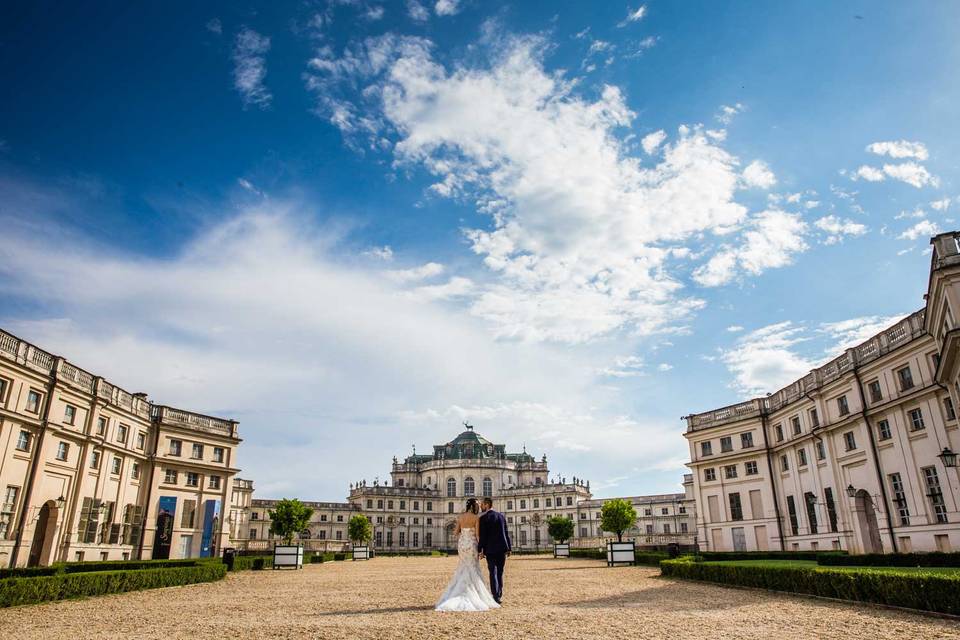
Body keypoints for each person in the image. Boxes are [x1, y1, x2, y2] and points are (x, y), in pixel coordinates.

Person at [434, 498, 501, 612]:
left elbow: (455, 533)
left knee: (463, 566)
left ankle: (456, 593)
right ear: (473, 507)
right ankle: (476, 593)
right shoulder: (476, 518)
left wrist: (462, 532)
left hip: (462, 544)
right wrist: (481, 549)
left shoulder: (460, 517)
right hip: (471, 543)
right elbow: (478, 535)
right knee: (473, 567)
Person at [477, 496, 511, 604]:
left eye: (482, 504)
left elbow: (483, 536)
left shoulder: (483, 518)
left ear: (487, 505)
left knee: (493, 572)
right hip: (502, 548)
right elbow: (506, 533)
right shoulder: (501, 516)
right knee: (500, 572)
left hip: (491, 549)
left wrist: (479, 549)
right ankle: (499, 594)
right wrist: (509, 548)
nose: (481, 507)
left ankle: (495, 596)